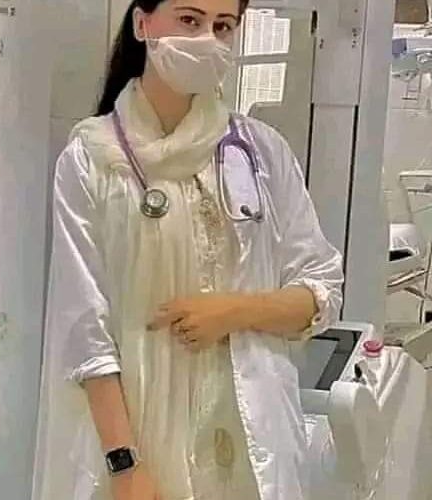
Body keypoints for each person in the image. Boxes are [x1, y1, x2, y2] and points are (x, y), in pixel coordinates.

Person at [32, 1, 344, 499]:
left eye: (223, 26)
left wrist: (233, 311)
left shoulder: (262, 154)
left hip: (248, 439)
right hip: (140, 436)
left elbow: (322, 291)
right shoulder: (90, 162)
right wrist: (124, 465)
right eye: (189, 20)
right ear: (142, 23)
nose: (206, 40)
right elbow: (85, 329)